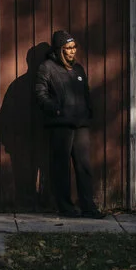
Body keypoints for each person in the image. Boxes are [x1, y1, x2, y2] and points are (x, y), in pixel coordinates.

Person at [34, 30, 104, 218]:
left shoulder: (78, 69)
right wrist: (55, 109)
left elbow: (85, 93)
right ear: (59, 49)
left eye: (74, 48)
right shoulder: (47, 68)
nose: (72, 52)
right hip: (60, 125)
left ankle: (88, 207)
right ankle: (66, 207)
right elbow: (40, 94)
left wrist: (88, 110)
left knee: (84, 166)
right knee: (61, 167)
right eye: (68, 48)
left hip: (80, 125)